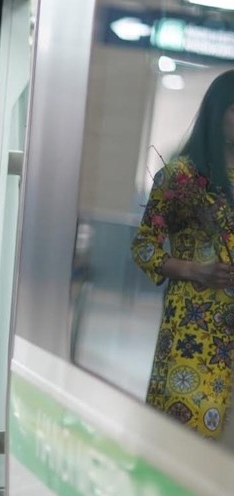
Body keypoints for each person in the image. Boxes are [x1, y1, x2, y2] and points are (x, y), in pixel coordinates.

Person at [132, 69, 234, 440]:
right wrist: (195, 270)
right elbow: (145, 247)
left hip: (229, 333)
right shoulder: (182, 176)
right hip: (192, 330)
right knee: (184, 433)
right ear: (216, 113)